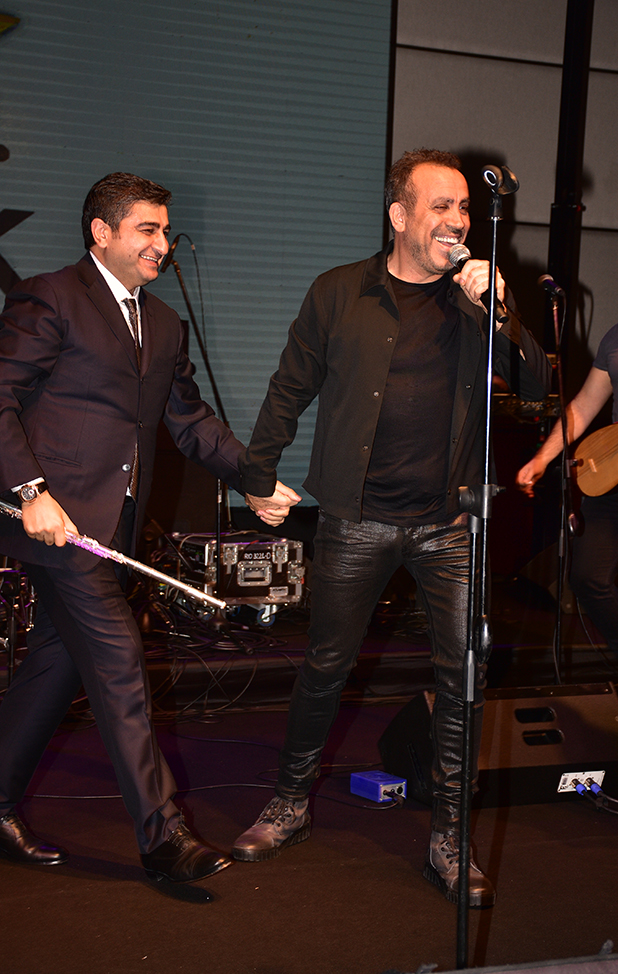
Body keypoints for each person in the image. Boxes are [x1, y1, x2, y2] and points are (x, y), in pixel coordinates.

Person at [232, 148, 552, 908]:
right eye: (441, 206)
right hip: (357, 517)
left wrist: (504, 312)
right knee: (325, 667)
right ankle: (289, 803)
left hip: (448, 523)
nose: (458, 221)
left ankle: (449, 838)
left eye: (465, 208)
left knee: (460, 677)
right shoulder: (340, 292)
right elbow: (290, 385)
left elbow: (537, 386)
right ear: (399, 215)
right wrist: (256, 472)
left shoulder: (477, 301)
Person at [0, 172, 297, 884]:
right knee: (118, 659)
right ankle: (163, 837)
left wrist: (255, 478)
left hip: (111, 528)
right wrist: (30, 491)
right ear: (102, 232)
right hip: (56, 521)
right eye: (148, 229)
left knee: (54, 665)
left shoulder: (165, 322)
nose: (162, 245)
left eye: (165, 232)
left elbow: (190, 420)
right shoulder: (52, 295)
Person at [517, 324, 618, 661]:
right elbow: (584, 405)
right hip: (612, 478)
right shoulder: (614, 336)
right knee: (587, 577)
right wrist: (543, 459)